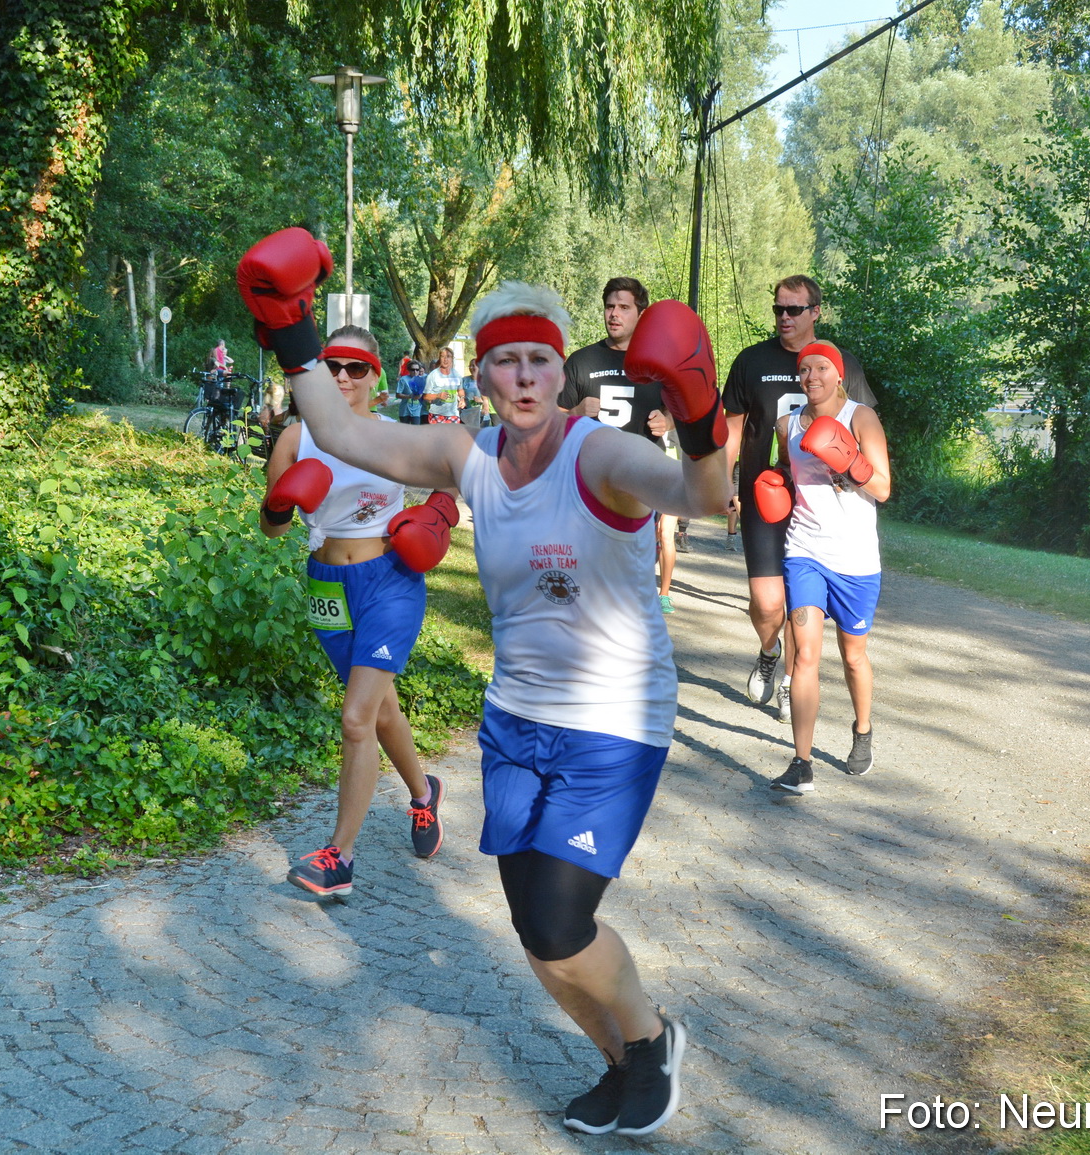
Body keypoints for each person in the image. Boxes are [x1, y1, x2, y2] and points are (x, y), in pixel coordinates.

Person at [236, 227, 732, 1137]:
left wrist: (701, 415)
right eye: (506, 362)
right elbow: (341, 427)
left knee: (557, 922)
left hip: (613, 725)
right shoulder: (466, 458)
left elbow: (704, 497)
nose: (526, 377)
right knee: (534, 933)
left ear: (562, 372)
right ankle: (620, 1064)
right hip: (513, 722)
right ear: (486, 377)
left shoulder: (600, 457)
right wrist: (290, 328)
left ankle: (655, 1038)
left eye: (542, 358)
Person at [259, 324, 457, 897]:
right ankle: (425, 795)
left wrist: (437, 518)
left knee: (354, 718)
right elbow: (272, 532)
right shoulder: (296, 437)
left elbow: (456, 483)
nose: (342, 378)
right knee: (380, 712)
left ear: (378, 376)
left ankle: (339, 857)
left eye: (355, 368)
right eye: (332, 366)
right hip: (327, 583)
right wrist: (278, 502)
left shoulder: (394, 437)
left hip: (390, 582)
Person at [721, 276, 874, 724]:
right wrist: (726, 484)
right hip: (765, 495)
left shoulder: (843, 363)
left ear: (815, 313)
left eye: (794, 310)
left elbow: (862, 427)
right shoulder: (751, 361)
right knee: (767, 603)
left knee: (797, 602)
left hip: (819, 507)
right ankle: (769, 651)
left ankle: (791, 683)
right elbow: (733, 428)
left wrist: (853, 475)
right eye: (778, 310)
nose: (784, 318)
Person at [753, 342, 890, 792]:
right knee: (806, 655)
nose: (811, 375)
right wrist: (776, 486)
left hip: (855, 560)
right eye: (804, 368)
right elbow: (788, 475)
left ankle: (863, 730)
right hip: (804, 551)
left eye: (821, 368)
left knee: (853, 656)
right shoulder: (786, 424)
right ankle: (801, 763)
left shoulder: (861, 417)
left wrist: (850, 462)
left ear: (839, 375)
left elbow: (884, 488)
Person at [559, 277, 682, 613]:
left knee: (633, 567)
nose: (614, 314)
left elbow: (686, 410)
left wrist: (668, 420)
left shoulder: (660, 363)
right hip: (588, 480)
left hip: (642, 481)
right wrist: (573, 412)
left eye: (624, 307)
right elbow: (549, 421)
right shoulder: (581, 362)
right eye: (610, 307)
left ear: (640, 315)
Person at [424, 346, 464, 424]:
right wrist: (438, 396)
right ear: (439, 358)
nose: (445, 359)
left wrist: (462, 398)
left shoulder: (457, 375)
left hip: (453, 414)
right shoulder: (433, 375)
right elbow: (425, 396)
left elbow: (460, 390)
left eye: (448, 356)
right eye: (443, 356)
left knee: (452, 436)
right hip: (437, 414)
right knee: (438, 436)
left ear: (452, 358)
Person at [395, 358, 426, 424]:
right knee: (405, 431)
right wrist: (409, 396)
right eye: (413, 369)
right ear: (409, 370)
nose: (415, 371)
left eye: (417, 370)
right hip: (405, 410)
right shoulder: (403, 380)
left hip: (417, 411)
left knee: (415, 431)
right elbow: (397, 395)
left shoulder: (422, 380)